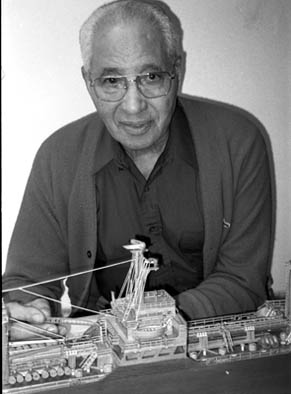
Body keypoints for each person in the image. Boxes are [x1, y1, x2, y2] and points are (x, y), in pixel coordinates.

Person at [3, 0, 273, 338]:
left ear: (177, 70)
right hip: (103, 351)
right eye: (112, 81)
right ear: (89, 82)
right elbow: (27, 281)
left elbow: (243, 281)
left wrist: (156, 321)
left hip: (213, 343)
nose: (134, 106)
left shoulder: (239, 142)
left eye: (151, 77)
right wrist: (34, 309)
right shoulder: (57, 157)